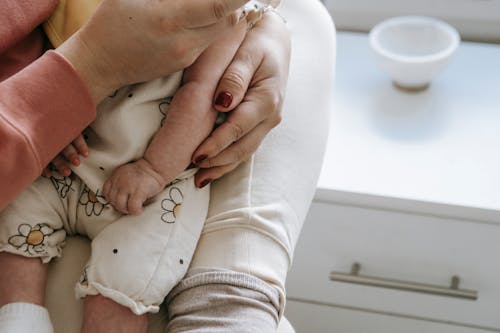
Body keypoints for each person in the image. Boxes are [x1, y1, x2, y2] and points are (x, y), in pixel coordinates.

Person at [0, 0, 336, 332]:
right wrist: (47, 108)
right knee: (21, 220)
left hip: (151, 186)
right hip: (62, 158)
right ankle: (19, 315)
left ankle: (225, 300)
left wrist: (153, 170)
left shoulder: (217, 20)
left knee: (127, 277)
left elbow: (200, 94)